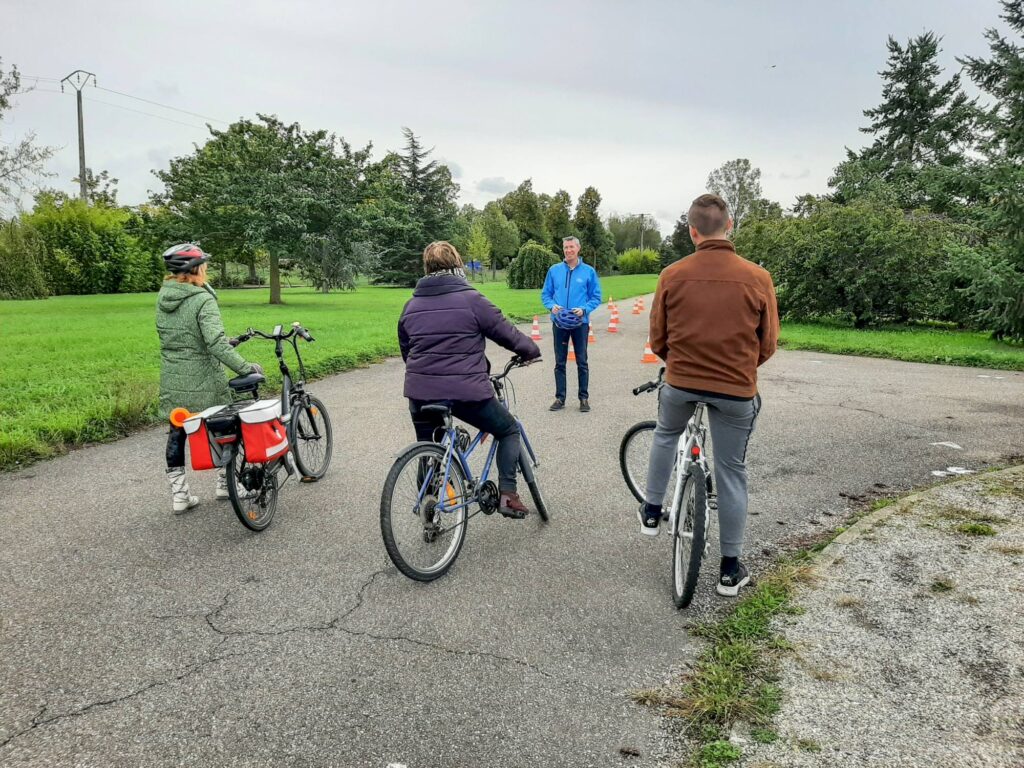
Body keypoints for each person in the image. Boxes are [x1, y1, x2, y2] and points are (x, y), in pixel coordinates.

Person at [639, 194, 779, 597]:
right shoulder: (758, 278)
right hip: (735, 389)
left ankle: (651, 511)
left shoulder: (672, 274)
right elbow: (767, 343)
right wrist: (741, 369)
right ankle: (730, 569)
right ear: (729, 224)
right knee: (731, 469)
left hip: (682, 383)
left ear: (692, 230)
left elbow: (658, 338)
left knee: (666, 434)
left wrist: (680, 364)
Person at [398, 241, 542, 519]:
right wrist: (530, 350)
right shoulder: (472, 299)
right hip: (465, 393)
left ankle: (430, 508)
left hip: (420, 393)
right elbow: (506, 332)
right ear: (457, 265)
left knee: (428, 446)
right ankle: (508, 495)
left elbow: (407, 350)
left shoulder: (411, 305)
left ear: (427, 268)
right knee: (508, 430)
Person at [156, 244, 262, 514]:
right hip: (203, 376)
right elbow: (214, 344)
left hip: (173, 376)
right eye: (203, 264)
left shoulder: (163, 298)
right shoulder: (202, 299)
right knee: (225, 425)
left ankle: (180, 495)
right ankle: (226, 485)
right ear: (195, 269)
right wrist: (245, 368)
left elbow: (184, 337)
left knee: (177, 430)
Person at [541, 236, 602, 412]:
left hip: (580, 323)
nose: (568, 250)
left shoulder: (589, 271)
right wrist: (552, 307)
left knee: (582, 361)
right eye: (565, 247)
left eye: (571, 247)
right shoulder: (554, 270)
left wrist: (584, 309)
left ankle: (584, 398)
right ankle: (560, 398)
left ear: (578, 248)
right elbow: (546, 294)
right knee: (560, 362)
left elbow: (596, 297)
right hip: (559, 323)